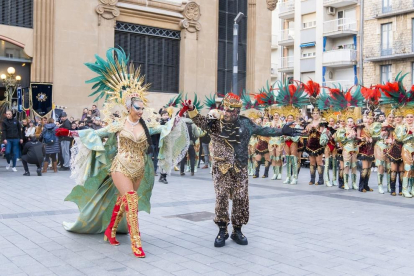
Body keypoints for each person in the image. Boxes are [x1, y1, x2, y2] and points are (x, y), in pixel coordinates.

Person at [60, 48, 189, 258]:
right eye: (138, 107)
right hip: (120, 166)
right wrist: (70, 131)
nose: (141, 110)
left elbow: (167, 128)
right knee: (131, 200)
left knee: (124, 200)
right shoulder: (118, 124)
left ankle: (110, 230)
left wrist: (181, 112)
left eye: (142, 107)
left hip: (139, 168)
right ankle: (136, 243)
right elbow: (96, 133)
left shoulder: (148, 125)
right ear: (129, 107)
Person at [183, 92, 302, 247]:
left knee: (241, 198)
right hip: (221, 167)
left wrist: (282, 131)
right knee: (222, 197)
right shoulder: (215, 123)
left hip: (240, 167)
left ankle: (237, 230)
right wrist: (191, 108)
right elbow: (200, 120)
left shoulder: (245, 123)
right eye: (225, 109)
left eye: (230, 110)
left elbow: (262, 130)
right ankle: (222, 229)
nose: (226, 112)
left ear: (237, 111)